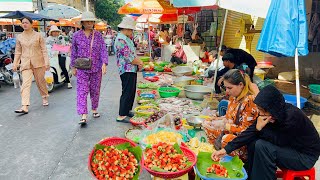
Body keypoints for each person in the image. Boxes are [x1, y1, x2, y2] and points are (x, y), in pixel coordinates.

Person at [212, 85, 320, 180]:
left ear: (273, 107)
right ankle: (251, 174)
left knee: (262, 146)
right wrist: (225, 150)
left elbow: (280, 141)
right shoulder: (270, 113)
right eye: (259, 110)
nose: (260, 113)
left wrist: (259, 129)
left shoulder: (292, 117)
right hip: (289, 148)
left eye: (263, 110)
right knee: (253, 141)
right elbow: (249, 132)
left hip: (304, 156)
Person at [203, 69, 259, 160]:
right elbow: (229, 116)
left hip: (242, 141)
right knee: (207, 124)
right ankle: (216, 152)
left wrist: (226, 126)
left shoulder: (249, 101)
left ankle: (231, 159)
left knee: (226, 139)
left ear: (241, 85)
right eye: (226, 88)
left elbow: (246, 131)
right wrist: (217, 119)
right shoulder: (233, 97)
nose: (227, 91)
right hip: (231, 130)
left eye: (230, 88)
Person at [70, 11, 108, 125]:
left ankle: (94, 109)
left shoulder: (98, 35)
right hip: (82, 68)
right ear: (82, 22)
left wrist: (104, 63)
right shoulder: (76, 36)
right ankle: (83, 115)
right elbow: (73, 52)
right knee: (82, 91)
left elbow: (103, 50)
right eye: (87, 21)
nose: (89, 23)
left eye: (91, 21)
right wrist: (73, 67)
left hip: (96, 67)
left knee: (95, 90)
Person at [12, 16, 50, 114]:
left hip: (38, 62)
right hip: (25, 63)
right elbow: (18, 51)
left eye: (26, 23)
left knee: (40, 82)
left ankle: (44, 96)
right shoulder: (19, 37)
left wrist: (46, 62)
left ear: (31, 24)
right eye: (23, 23)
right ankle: (24, 105)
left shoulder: (38, 35)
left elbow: (44, 50)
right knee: (25, 84)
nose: (24, 24)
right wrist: (15, 63)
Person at [114, 17, 143, 122]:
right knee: (127, 91)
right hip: (126, 69)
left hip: (131, 69)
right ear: (125, 28)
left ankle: (127, 111)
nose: (132, 32)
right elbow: (128, 57)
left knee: (131, 91)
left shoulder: (126, 38)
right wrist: (139, 62)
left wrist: (138, 62)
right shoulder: (121, 39)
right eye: (131, 30)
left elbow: (132, 54)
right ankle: (121, 114)